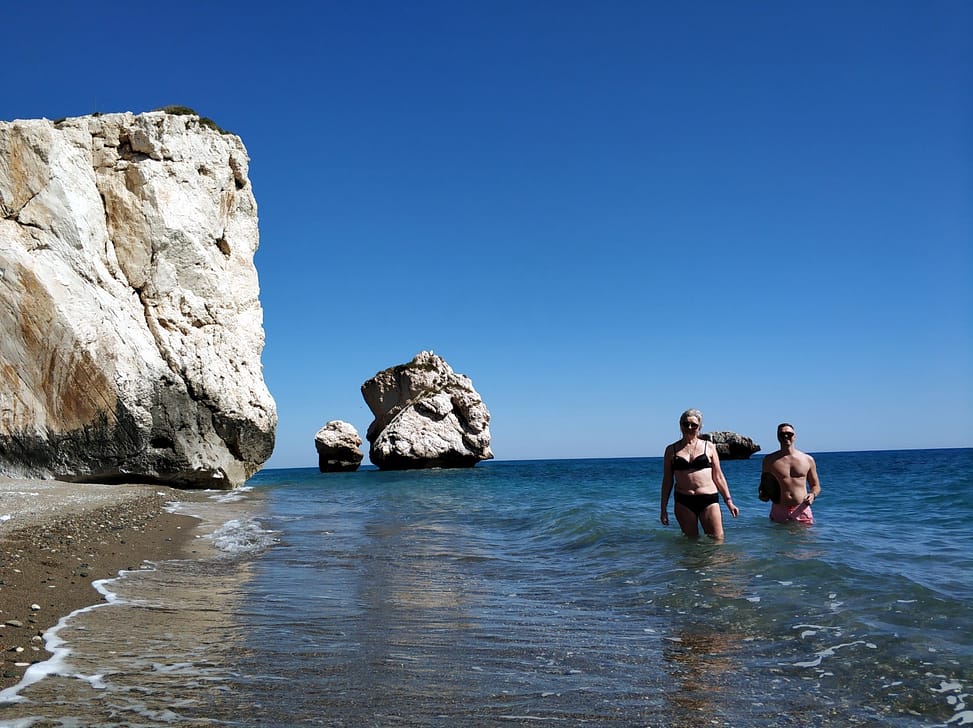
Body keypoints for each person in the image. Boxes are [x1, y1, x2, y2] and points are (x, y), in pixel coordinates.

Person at [661, 409, 739, 539]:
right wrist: (663, 509)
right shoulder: (671, 450)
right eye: (686, 424)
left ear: (700, 427)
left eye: (694, 425)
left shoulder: (709, 447)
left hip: (708, 499)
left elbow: (718, 476)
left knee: (717, 540)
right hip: (683, 500)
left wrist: (729, 502)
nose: (689, 427)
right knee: (691, 542)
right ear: (680, 425)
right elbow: (667, 481)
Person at [760, 423, 822, 524]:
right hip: (779, 509)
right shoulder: (769, 460)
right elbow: (764, 485)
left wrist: (812, 495)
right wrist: (764, 495)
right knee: (777, 535)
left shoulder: (808, 459)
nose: (786, 436)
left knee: (806, 535)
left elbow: (816, 486)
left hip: (801, 508)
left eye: (789, 434)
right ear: (777, 437)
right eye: (782, 434)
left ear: (795, 436)